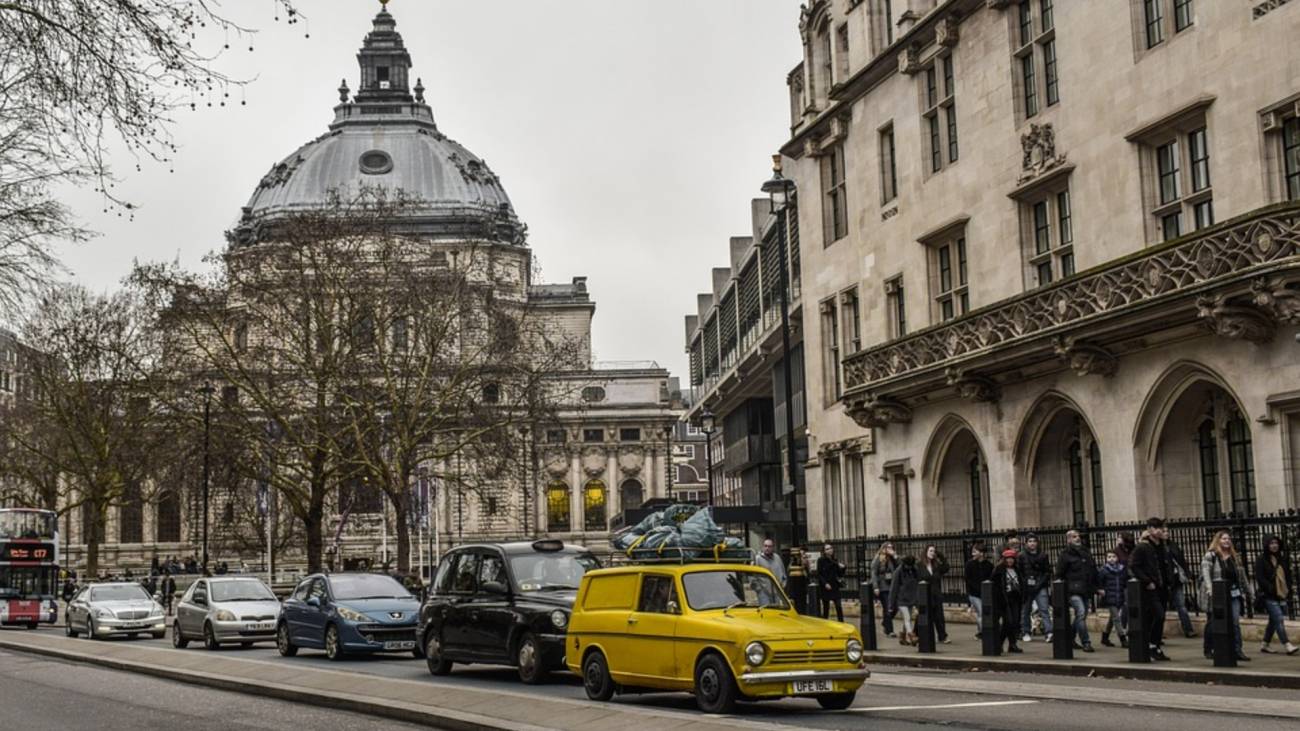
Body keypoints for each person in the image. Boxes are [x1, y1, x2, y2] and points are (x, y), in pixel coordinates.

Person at [1200, 529, 1252, 662]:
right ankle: (1209, 648)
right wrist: (1210, 589)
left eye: (1228, 539)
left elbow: (1242, 575)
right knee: (1213, 622)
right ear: (1218, 541)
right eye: (1223, 539)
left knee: (1234, 622)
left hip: (1234, 593)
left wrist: (1248, 591)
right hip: (1218, 594)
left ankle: (1237, 650)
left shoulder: (1235, 557)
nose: (1227, 541)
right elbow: (1206, 573)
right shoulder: (1211, 555)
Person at [1130, 518, 1171, 661]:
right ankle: (1150, 644)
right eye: (1156, 528)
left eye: (1161, 527)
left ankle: (1155, 646)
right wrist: (1147, 581)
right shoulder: (1143, 547)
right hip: (1151, 588)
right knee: (1159, 615)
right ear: (1149, 529)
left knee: (1157, 618)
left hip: (1163, 586)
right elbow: (1134, 566)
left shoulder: (1163, 545)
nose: (1159, 530)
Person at [1055, 529, 1099, 652]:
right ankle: (1086, 642)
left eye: (1078, 536)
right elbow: (1059, 573)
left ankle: (1070, 637)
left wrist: (1097, 587)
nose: (1077, 538)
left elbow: (1093, 570)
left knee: (1082, 615)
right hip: (1072, 590)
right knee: (1080, 613)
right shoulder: (1065, 554)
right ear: (1068, 539)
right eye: (1074, 537)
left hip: (1086, 589)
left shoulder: (1086, 552)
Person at [1255, 534, 1298, 655]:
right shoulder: (1261, 559)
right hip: (1269, 595)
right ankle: (1287, 644)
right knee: (1278, 618)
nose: (1274, 545)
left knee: (1273, 621)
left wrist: (1288, 589)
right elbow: (1260, 578)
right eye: (1271, 543)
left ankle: (1265, 643)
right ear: (1266, 545)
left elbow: (1287, 575)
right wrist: (1270, 588)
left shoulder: (1282, 558)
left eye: (1276, 543)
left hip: (1282, 594)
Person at [1017, 533, 1053, 643]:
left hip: (1040, 586)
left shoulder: (1043, 555)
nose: (1032, 543)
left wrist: (1039, 584)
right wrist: (1025, 584)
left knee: (1044, 609)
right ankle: (1026, 631)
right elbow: (1020, 573)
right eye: (1030, 541)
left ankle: (1049, 632)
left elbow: (1047, 572)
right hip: (1026, 587)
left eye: (1034, 541)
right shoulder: (1021, 556)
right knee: (1026, 610)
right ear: (1026, 543)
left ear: (1037, 543)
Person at [991, 549, 1024, 653]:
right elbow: (995, 585)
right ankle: (999, 643)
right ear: (1004, 559)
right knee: (1008, 622)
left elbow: (1021, 582)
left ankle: (1012, 644)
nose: (1010, 561)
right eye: (1008, 559)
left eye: (1012, 559)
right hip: (1003, 599)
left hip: (1015, 598)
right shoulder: (999, 570)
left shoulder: (1017, 569)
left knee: (1014, 622)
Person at [917, 544, 949, 643]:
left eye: (934, 551)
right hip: (925, 595)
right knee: (925, 616)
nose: (932, 553)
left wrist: (940, 555)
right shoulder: (920, 565)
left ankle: (942, 636)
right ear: (925, 552)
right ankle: (919, 635)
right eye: (930, 551)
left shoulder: (936, 566)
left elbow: (946, 567)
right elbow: (917, 579)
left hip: (936, 594)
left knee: (939, 617)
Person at [1166, 537, 1197, 638]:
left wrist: (1188, 575)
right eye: (1163, 531)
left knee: (1181, 606)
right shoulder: (1156, 547)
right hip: (1164, 581)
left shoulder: (1173, 545)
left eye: (1166, 531)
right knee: (1160, 609)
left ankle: (1188, 629)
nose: (1165, 533)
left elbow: (1182, 561)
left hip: (1176, 580)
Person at [1098, 550, 1128, 648]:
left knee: (1113, 619)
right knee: (1116, 618)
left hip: (1119, 596)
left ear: (1117, 558)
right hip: (1109, 597)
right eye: (1109, 557)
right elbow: (1099, 582)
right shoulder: (1104, 570)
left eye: (1113, 556)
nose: (1111, 559)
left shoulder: (1122, 570)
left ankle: (1105, 637)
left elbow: (1124, 582)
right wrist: (1101, 590)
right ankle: (1123, 638)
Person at [889, 555, 921, 645]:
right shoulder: (898, 572)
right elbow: (893, 588)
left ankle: (902, 637)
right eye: (908, 565)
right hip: (902, 599)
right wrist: (891, 605)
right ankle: (911, 636)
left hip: (911, 599)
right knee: (907, 618)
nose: (909, 567)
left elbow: (917, 584)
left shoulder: (914, 570)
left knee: (907, 618)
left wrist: (917, 600)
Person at [869, 542, 899, 637]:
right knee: (887, 607)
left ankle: (885, 622)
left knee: (895, 607)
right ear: (883, 548)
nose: (890, 549)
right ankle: (890, 630)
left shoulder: (893, 559)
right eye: (888, 547)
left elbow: (900, 567)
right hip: (883, 587)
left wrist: (895, 556)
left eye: (892, 547)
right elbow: (874, 573)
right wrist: (876, 587)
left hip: (892, 586)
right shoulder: (879, 558)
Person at [964, 543, 993, 639]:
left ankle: (981, 631)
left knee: (985, 612)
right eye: (973, 551)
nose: (973, 553)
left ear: (982, 553)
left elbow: (991, 578)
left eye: (975, 551)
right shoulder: (969, 564)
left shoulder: (989, 565)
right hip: (974, 594)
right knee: (981, 611)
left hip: (986, 593)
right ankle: (983, 632)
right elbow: (968, 579)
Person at [817, 544, 846, 622]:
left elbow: (839, 574)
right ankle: (825, 623)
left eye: (830, 548)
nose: (830, 550)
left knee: (838, 606)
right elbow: (819, 574)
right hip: (825, 587)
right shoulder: (821, 560)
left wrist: (843, 568)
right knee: (826, 607)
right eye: (827, 549)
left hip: (834, 586)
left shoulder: (835, 560)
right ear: (824, 551)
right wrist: (825, 583)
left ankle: (841, 622)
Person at [787, 547, 809, 615]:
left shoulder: (804, 567)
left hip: (803, 592)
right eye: (801, 555)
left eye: (804, 556)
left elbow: (807, 577)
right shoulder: (792, 565)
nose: (803, 557)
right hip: (794, 593)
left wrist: (805, 566)